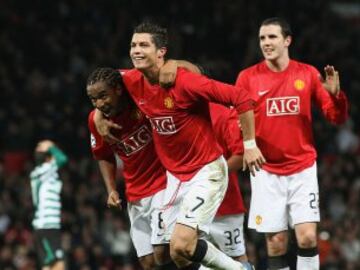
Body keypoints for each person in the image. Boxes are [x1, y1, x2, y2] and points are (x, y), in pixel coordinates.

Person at [118, 22, 265, 270]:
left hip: (206, 172)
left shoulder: (185, 82)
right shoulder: (133, 80)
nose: (136, 50)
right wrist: (99, 117)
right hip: (174, 178)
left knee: (183, 245)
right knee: (173, 255)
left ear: (161, 52)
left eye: (144, 45)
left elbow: (240, 98)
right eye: (133, 45)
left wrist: (250, 145)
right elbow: (104, 84)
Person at [235, 17, 349, 270]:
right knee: (276, 243)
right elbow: (236, 120)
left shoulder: (307, 73)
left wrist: (336, 96)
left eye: (272, 37)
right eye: (262, 38)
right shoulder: (247, 78)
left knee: (307, 236)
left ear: (287, 40)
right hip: (266, 171)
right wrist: (246, 145)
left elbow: (336, 117)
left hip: (302, 168)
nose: (266, 42)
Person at [30, 140, 68, 270]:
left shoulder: (40, 173)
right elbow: (62, 159)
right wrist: (51, 145)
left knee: (48, 265)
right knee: (59, 264)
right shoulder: (46, 170)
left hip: (44, 226)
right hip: (47, 226)